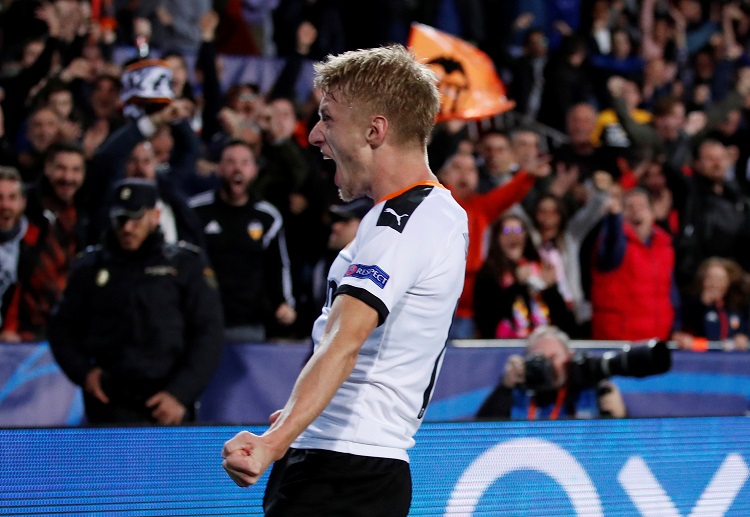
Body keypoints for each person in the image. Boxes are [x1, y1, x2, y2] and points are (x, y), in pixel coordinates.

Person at [221, 44, 468, 517]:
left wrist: (275, 441)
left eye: (327, 117)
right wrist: (298, 417)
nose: (314, 135)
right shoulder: (432, 214)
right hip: (351, 465)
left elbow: (343, 341)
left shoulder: (404, 219)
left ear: (375, 130)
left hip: (341, 475)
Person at [48, 178, 223, 424]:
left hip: (168, 400)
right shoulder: (90, 267)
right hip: (109, 401)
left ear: (155, 215)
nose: (127, 228)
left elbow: (209, 332)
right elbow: (61, 327)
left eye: (136, 218)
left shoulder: (185, 265)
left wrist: (180, 393)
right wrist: (84, 373)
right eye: (121, 219)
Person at [190, 139, 297, 342]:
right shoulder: (196, 211)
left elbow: (278, 265)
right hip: (202, 321)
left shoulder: (267, 216)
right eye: (230, 162)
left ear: (255, 170)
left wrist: (283, 303)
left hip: (249, 321)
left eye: (244, 162)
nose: (237, 168)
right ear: (219, 168)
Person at [476, 325, 627, 420]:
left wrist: (621, 416)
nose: (547, 365)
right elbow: (480, 434)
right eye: (539, 358)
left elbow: (619, 448)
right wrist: (505, 386)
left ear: (569, 357)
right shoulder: (517, 393)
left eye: (553, 357)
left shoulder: (590, 390)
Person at [590, 187, 677, 341]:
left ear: (652, 213)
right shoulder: (612, 242)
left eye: (641, 206)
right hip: (618, 343)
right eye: (629, 207)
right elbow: (612, 244)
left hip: (656, 342)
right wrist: (613, 217)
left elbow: (671, 293)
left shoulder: (665, 247)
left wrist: (676, 328)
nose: (636, 211)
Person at [473, 214, 576, 339]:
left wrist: (549, 288)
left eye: (518, 230)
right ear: (497, 238)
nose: (513, 235)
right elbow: (487, 322)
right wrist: (517, 284)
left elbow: (567, 323)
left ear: (525, 237)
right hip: (504, 347)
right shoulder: (488, 274)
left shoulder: (539, 268)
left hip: (542, 343)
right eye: (506, 231)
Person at [672, 256, 750, 352]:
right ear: (702, 280)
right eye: (711, 278)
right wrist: (702, 304)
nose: (715, 283)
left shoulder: (737, 306)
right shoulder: (691, 306)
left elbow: (744, 329)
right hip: (699, 359)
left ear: (728, 281)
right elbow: (680, 330)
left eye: (720, 279)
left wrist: (744, 336)